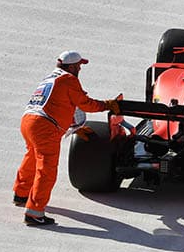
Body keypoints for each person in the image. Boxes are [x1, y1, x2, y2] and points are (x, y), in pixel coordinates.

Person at [12, 50, 120, 226]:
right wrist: (106, 105)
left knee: (32, 156)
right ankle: (34, 212)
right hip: (44, 126)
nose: (80, 68)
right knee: (46, 170)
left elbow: (60, 106)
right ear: (70, 66)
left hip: (28, 121)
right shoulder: (69, 80)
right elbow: (85, 104)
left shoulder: (50, 79)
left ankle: (21, 193)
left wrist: (75, 128)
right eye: (78, 65)